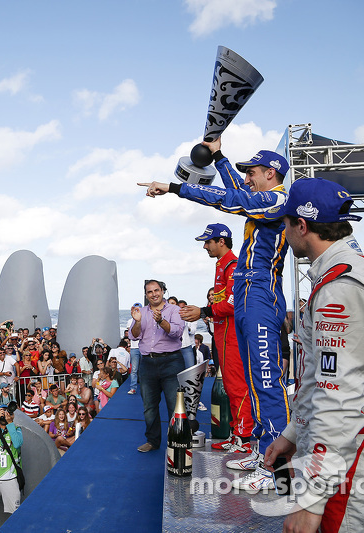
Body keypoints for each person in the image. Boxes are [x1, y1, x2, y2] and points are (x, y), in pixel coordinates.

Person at [139, 141, 291, 487]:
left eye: (251, 173)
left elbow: (232, 199)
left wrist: (176, 187)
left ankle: (276, 468)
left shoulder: (278, 199)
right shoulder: (264, 204)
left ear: (271, 174)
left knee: (266, 382)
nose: (247, 179)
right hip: (252, 299)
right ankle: (260, 446)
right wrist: (219, 157)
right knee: (254, 382)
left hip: (261, 298)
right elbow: (238, 193)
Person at [264, 178, 364, 531]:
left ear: (302, 226)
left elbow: (338, 397)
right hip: (343, 455)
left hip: (349, 464)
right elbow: (321, 378)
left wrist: (311, 499)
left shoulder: (341, 287)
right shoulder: (347, 273)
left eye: (285, 222)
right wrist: (293, 435)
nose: (283, 230)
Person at [180, 223, 253, 453]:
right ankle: (236, 433)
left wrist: (203, 311)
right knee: (230, 386)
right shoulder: (222, 264)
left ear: (221, 241)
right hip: (222, 335)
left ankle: (244, 438)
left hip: (232, 335)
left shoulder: (233, 265)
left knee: (238, 386)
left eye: (208, 241)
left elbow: (233, 303)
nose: (204, 246)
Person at [128, 280, 185, 452]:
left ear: (163, 291)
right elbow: (133, 336)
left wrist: (161, 321)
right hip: (148, 363)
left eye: (156, 290)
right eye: (149, 292)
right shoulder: (141, 312)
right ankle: (152, 441)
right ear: (146, 295)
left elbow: (176, 332)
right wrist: (137, 322)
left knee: (174, 405)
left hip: (172, 362)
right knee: (149, 406)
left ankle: (177, 442)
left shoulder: (174, 310)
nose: (153, 294)